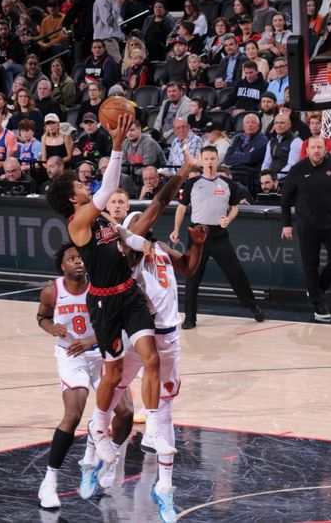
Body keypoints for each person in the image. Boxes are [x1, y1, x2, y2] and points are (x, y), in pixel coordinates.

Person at [45, 113, 176, 467]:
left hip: (129, 293)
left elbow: (122, 235)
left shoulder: (99, 217)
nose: (85, 187)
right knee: (114, 373)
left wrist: (140, 242)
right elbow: (106, 189)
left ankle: (153, 428)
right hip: (103, 302)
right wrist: (116, 146)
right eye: (79, 187)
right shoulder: (79, 222)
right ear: (72, 200)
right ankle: (99, 426)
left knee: (152, 359)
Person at [106, 214, 207, 522]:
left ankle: (164, 488)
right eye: (135, 223)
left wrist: (196, 244)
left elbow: (189, 267)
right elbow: (129, 236)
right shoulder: (129, 254)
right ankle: (98, 456)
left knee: (165, 413)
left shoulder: (160, 247)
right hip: (139, 335)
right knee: (111, 392)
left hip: (169, 339)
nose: (142, 225)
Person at [35, 243, 134, 508]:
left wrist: (91, 338)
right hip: (71, 356)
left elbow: (117, 321)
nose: (78, 262)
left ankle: (109, 456)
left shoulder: (100, 286)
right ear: (62, 266)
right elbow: (41, 317)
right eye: (72, 258)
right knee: (73, 415)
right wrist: (50, 327)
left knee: (125, 412)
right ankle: (49, 482)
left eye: (81, 258)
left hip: (102, 353)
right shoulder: (51, 291)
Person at [170, 145, 265, 328]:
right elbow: (181, 207)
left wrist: (228, 219)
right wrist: (176, 229)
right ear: (201, 160)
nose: (209, 162)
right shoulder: (192, 183)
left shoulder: (228, 184)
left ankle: (253, 306)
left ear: (217, 160)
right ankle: (190, 317)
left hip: (219, 235)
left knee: (236, 272)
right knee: (192, 277)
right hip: (197, 234)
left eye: (212, 159)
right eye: (206, 159)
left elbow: (235, 207)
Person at [280, 136, 331, 322]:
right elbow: (285, 200)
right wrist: (286, 224)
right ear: (307, 150)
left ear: (325, 149)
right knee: (310, 266)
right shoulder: (297, 170)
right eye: (313, 147)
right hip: (307, 226)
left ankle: (316, 290)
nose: (316, 150)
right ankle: (319, 306)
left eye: (320, 147)